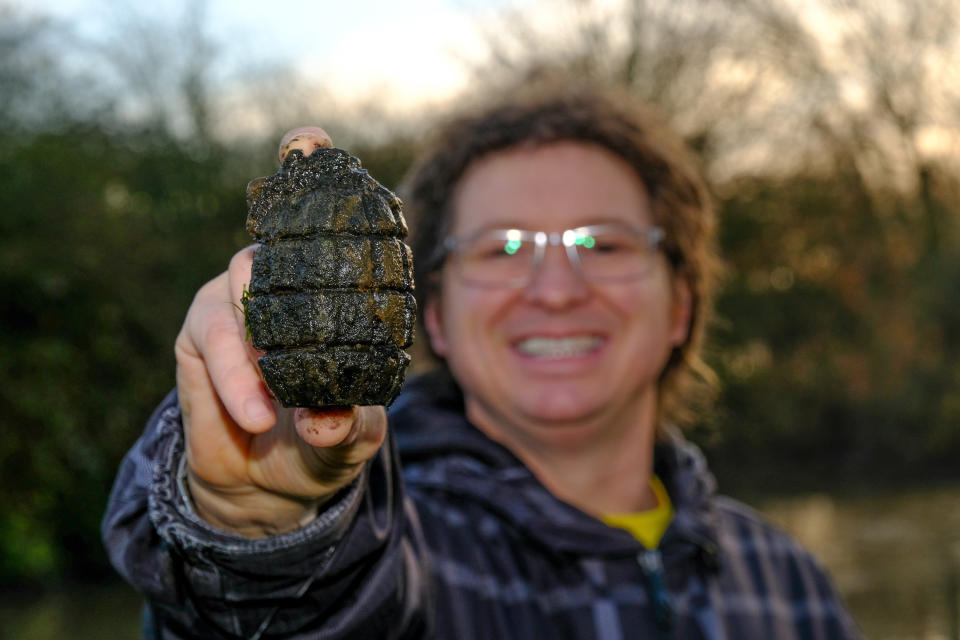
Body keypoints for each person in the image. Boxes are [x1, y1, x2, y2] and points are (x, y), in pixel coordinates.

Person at [102, 77, 862, 639]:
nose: (556, 289)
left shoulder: (790, 582)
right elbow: (325, 607)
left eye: (602, 242)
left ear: (682, 306)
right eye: (502, 248)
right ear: (430, 311)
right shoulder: (398, 556)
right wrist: (262, 527)